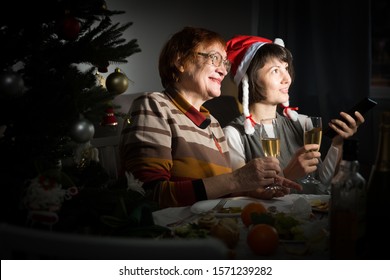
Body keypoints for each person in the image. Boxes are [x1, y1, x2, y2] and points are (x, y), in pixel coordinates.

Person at [119, 27, 302, 209]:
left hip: (209, 225)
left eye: (225, 63)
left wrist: (249, 191)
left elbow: (216, 189)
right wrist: (236, 180)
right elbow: (148, 195)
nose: (223, 70)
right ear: (180, 61)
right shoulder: (153, 106)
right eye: (214, 58)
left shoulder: (213, 124)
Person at [224, 35, 364, 194]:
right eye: (275, 71)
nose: (287, 79)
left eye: (286, 69)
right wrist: (289, 173)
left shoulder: (303, 123)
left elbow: (320, 184)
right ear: (250, 80)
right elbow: (240, 197)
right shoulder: (233, 135)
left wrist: (338, 143)